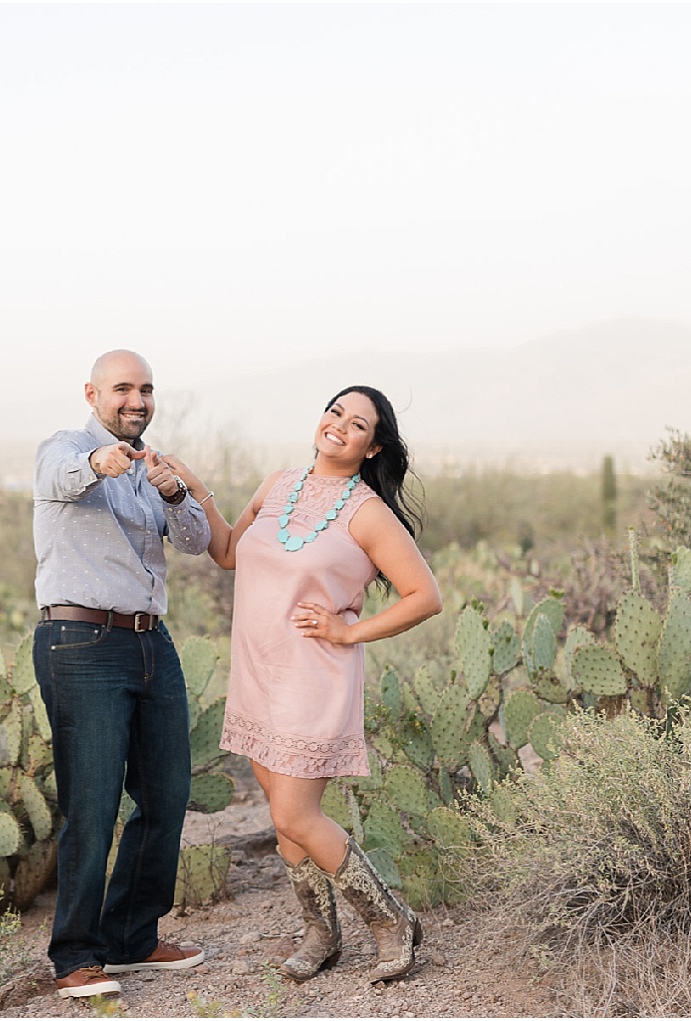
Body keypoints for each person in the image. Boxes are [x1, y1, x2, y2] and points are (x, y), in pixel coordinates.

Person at [163, 385, 443, 984]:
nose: (340, 426)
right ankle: (320, 933)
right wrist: (194, 488)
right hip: (258, 670)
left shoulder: (367, 513)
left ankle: (392, 922)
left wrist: (349, 634)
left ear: (373, 447)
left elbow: (427, 597)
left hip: (313, 677)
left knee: (297, 814)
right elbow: (229, 553)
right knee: (280, 812)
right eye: (336, 411)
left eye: (358, 424)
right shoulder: (277, 484)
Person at [31, 349, 212, 999]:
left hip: (148, 641)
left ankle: (133, 936)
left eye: (146, 389)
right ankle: (76, 953)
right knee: (94, 798)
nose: (136, 400)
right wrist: (96, 464)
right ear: (92, 394)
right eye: (122, 389)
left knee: (166, 792)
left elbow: (194, 541)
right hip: (79, 640)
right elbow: (59, 479)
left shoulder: (151, 465)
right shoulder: (66, 446)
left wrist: (175, 491)